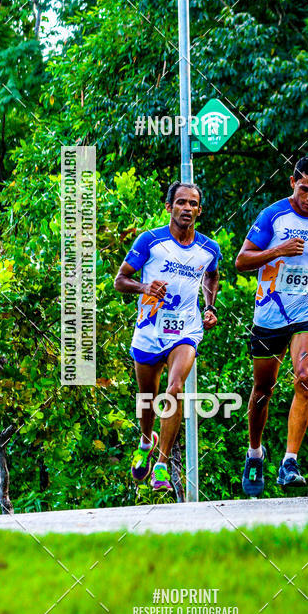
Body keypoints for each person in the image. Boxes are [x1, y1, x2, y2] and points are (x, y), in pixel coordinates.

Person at [235, 154, 308, 496]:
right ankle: (255, 453)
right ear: (293, 182)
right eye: (305, 189)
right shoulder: (272, 216)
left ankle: (289, 461)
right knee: (263, 390)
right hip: (270, 313)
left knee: (305, 377)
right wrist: (277, 250)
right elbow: (241, 260)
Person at [114, 181, 220, 493]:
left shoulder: (209, 249)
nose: (187, 208)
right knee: (148, 399)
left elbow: (211, 275)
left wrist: (210, 306)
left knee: (174, 388)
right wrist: (144, 287)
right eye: (181, 202)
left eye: (193, 204)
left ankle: (161, 464)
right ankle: (146, 441)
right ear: (169, 207)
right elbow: (121, 280)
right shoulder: (150, 241)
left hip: (186, 329)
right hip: (149, 329)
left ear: (199, 211)